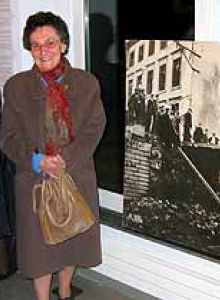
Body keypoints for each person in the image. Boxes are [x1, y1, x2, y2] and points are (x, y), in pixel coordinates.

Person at [0, 12, 106, 300]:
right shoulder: (16, 87)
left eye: (49, 42)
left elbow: (95, 128)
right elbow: (7, 138)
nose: (42, 50)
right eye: (35, 45)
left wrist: (65, 159)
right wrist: (37, 160)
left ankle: (66, 289)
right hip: (34, 178)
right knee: (40, 250)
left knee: (71, 238)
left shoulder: (87, 84)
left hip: (75, 174)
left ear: (63, 44)